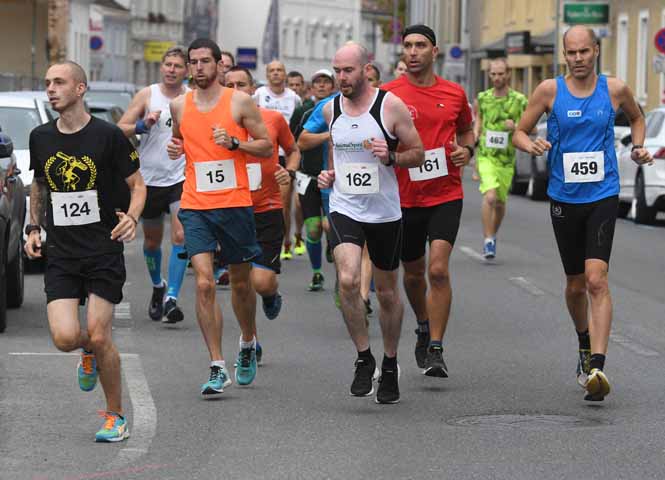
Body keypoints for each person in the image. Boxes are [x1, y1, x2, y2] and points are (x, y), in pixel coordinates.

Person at [513, 26, 652, 402]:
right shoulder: (549, 91)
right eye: (570, 53)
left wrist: (638, 147)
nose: (577, 59)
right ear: (564, 55)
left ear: (595, 51)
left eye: (583, 52)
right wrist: (532, 144)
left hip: (603, 193)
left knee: (596, 279)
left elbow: (637, 118)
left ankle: (597, 365)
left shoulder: (615, 89)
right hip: (563, 196)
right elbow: (519, 132)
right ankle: (582, 342)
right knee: (575, 283)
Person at [25, 61, 146, 442]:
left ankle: (116, 416)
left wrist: (133, 217)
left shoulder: (108, 135)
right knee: (65, 337)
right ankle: (87, 352)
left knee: (99, 332)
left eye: (59, 82)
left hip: (102, 248)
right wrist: (32, 227)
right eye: (47, 83)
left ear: (80, 88)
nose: (51, 88)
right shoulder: (40, 137)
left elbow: (138, 184)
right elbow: (40, 186)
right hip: (61, 251)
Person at [318, 42, 424, 404]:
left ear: (366, 69)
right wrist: (330, 174)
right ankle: (364, 358)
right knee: (347, 280)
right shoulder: (331, 109)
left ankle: (390, 363)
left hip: (384, 214)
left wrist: (391, 156)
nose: (341, 78)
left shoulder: (388, 105)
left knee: (389, 293)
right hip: (345, 206)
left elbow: (418, 153)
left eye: (347, 70)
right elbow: (336, 147)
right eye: (337, 70)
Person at [167, 38, 272, 396]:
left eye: (204, 62)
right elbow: (179, 140)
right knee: (203, 283)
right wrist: (174, 147)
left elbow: (266, 146)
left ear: (218, 66)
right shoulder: (179, 105)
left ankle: (246, 341)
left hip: (235, 203)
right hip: (195, 203)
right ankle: (216, 365)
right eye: (192, 62)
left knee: (241, 285)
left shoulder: (239, 101)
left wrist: (235, 144)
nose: (197, 68)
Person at [382, 25, 474, 377]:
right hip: (403, 197)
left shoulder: (453, 93)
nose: (414, 51)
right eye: (408, 46)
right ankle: (422, 323)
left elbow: (466, 130)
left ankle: (435, 345)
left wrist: (465, 149)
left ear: (435, 51)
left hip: (445, 193)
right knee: (413, 273)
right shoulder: (389, 95)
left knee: (437, 268)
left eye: (421, 45)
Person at [224, 66, 301, 362]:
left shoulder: (272, 119)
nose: (235, 89)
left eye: (240, 83)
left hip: (267, 208)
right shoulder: (216, 122)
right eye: (229, 84)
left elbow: (293, 150)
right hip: (231, 210)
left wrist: (290, 171)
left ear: (253, 89)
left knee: (262, 282)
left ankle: (271, 296)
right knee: (240, 282)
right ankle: (249, 339)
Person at [118, 46, 189, 323]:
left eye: (177, 66)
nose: (171, 70)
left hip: (181, 177)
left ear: (186, 71)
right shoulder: (148, 95)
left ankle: (172, 297)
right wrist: (141, 125)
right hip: (149, 179)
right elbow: (119, 128)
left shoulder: (191, 99)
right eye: (168, 64)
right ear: (162, 67)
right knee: (151, 241)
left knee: (181, 236)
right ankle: (158, 286)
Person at [473, 58, 528, 259]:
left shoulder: (520, 100)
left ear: (508, 74)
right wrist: (476, 134)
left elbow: (527, 126)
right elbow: (478, 120)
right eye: (493, 74)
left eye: (500, 74)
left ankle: (493, 234)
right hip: (486, 156)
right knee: (490, 197)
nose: (496, 77)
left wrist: (517, 128)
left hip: (507, 158)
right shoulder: (483, 98)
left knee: (500, 202)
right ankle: (488, 240)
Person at [254, 61, 303, 259]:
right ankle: (265, 239)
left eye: (279, 70)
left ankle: (286, 241)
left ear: (285, 74)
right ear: (267, 75)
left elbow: (298, 123)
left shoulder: (294, 98)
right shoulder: (258, 95)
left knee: (283, 201)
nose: (275, 74)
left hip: (286, 154)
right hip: (264, 155)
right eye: (272, 71)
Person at [294, 69, 336, 292]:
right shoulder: (304, 110)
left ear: (333, 86)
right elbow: (294, 143)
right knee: (313, 228)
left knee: (330, 226)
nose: (321, 86)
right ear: (312, 86)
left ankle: (332, 244)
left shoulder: (341, 107)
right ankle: (317, 272)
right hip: (308, 177)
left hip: (332, 178)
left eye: (326, 82)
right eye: (317, 82)